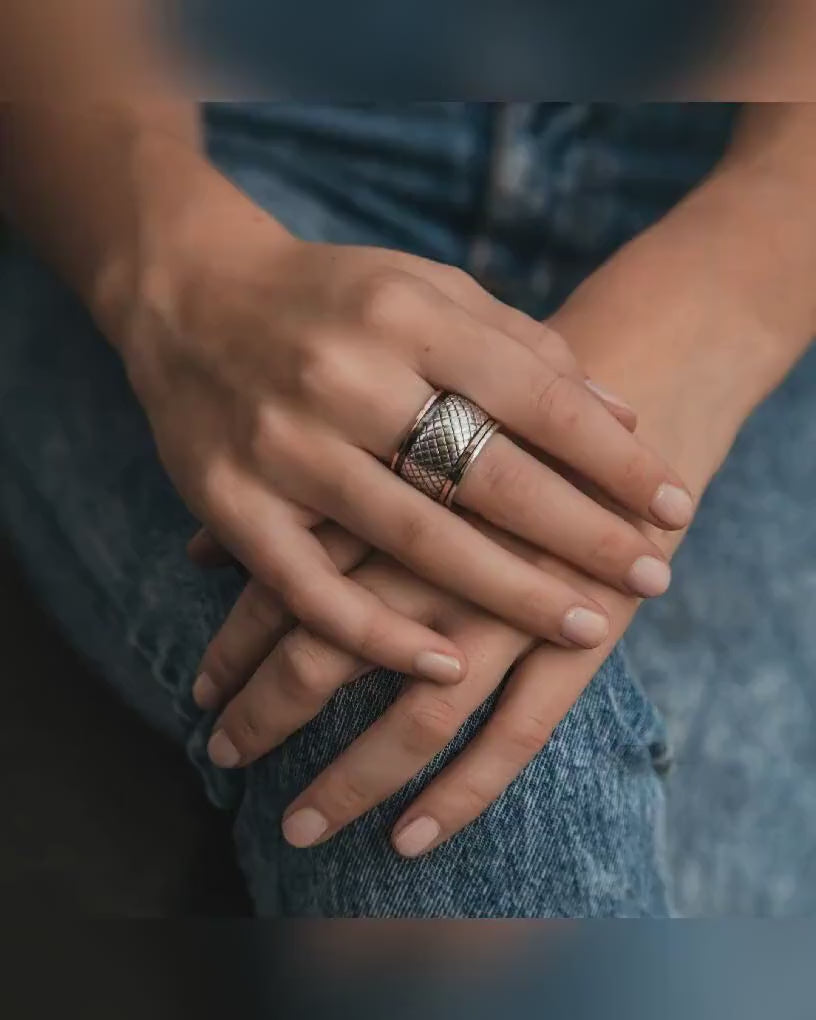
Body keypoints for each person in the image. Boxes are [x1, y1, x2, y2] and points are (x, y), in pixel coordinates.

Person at [1, 96, 815, 915]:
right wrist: (175, 262)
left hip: (752, 186)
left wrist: (731, 291)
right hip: (219, 145)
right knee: (412, 683)